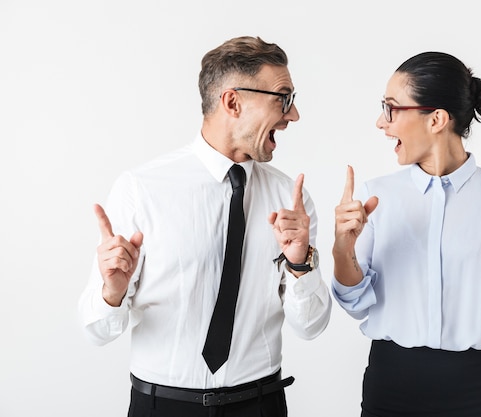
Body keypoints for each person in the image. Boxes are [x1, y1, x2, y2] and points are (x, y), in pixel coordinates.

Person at [78, 35, 331, 417]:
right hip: (162, 407)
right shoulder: (142, 189)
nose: (292, 115)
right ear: (233, 101)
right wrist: (112, 291)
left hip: (260, 406)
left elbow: (311, 327)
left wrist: (299, 264)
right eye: (283, 98)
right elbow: (96, 331)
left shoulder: (290, 199)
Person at [332, 51, 481, 417]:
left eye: (391, 108)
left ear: (437, 119)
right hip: (390, 386)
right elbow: (355, 301)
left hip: (475, 389)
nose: (382, 123)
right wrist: (341, 249)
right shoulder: (373, 197)